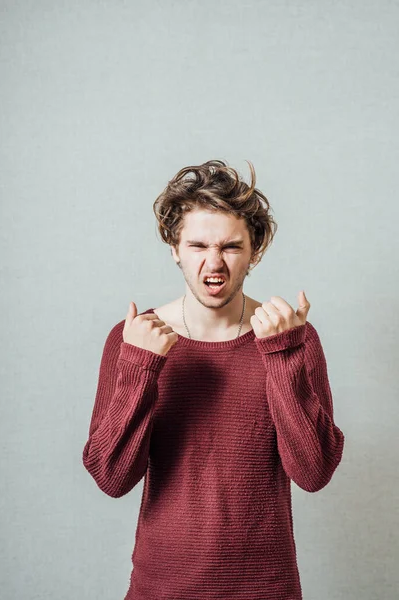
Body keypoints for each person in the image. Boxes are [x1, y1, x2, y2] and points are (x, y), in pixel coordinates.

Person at [82, 159, 345, 600]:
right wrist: (140, 368)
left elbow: (314, 472)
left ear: (255, 250)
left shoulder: (291, 338)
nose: (213, 262)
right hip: (160, 588)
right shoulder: (134, 339)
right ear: (174, 248)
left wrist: (282, 356)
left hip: (267, 588)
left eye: (231, 246)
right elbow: (112, 477)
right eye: (198, 245)